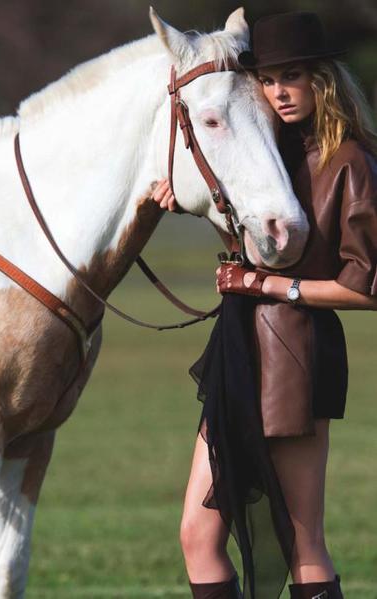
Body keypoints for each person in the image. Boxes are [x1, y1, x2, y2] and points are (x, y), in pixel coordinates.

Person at [152, 12, 377, 599]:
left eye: (291, 76)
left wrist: (273, 288)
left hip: (296, 355)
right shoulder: (267, 150)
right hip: (235, 346)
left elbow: (365, 287)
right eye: (268, 80)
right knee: (197, 535)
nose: (278, 91)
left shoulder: (349, 162)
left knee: (303, 539)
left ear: (321, 79)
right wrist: (185, 202)